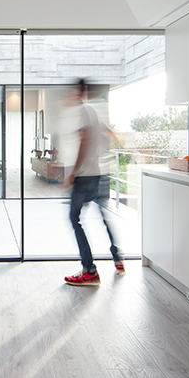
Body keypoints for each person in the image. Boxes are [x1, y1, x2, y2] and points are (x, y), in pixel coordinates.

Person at [63, 79, 124, 286]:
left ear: (78, 92)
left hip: (85, 175)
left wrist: (73, 172)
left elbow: (85, 140)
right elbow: (108, 132)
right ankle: (117, 256)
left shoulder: (82, 111)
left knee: (74, 218)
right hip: (98, 173)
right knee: (102, 215)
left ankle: (89, 270)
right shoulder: (93, 111)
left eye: (71, 91)